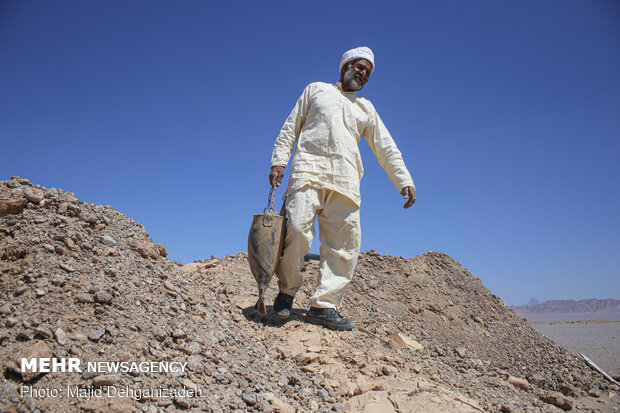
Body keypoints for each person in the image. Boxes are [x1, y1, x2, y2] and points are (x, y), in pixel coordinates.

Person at [268, 46, 415, 331]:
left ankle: (324, 306)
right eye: (359, 67)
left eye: (368, 72)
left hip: (346, 182)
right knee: (296, 232)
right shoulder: (316, 90)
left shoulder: (366, 108)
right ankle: (286, 293)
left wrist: (403, 179)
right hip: (307, 172)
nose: (363, 74)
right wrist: (278, 162)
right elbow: (290, 128)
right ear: (345, 66)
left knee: (344, 246)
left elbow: (386, 147)